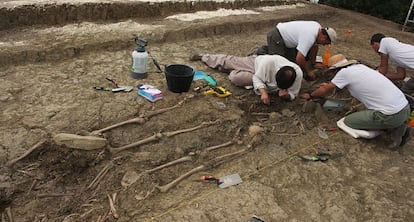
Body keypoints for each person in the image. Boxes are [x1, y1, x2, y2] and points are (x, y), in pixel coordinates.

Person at [301, 54, 411, 149]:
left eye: (332, 73)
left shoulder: (343, 73)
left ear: (335, 70)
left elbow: (325, 90)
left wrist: (311, 95)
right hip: (405, 108)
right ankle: (397, 126)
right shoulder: (360, 67)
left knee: (344, 123)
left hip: (389, 115)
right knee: (353, 108)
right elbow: (348, 88)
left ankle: (385, 131)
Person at [191, 53, 303, 105]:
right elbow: (258, 78)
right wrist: (264, 93)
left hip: (258, 78)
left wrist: (286, 96)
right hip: (255, 64)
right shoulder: (269, 63)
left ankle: (230, 70)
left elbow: (293, 94)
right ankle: (204, 57)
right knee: (229, 61)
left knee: (235, 78)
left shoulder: (298, 74)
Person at [253, 20, 337, 81]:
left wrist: (313, 63)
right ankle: (261, 51)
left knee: (291, 63)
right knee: (279, 64)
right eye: (325, 43)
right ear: (324, 37)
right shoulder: (310, 36)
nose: (324, 45)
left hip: (288, 42)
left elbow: (315, 46)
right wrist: (308, 72)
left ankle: (272, 49)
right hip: (277, 36)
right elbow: (299, 58)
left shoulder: (318, 28)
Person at [370, 33, 414, 97]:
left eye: (373, 47)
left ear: (375, 44)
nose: (375, 51)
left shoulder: (384, 41)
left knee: (406, 90)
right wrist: (384, 76)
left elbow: (383, 67)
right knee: (406, 91)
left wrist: (373, 76)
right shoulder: (396, 54)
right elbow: (401, 75)